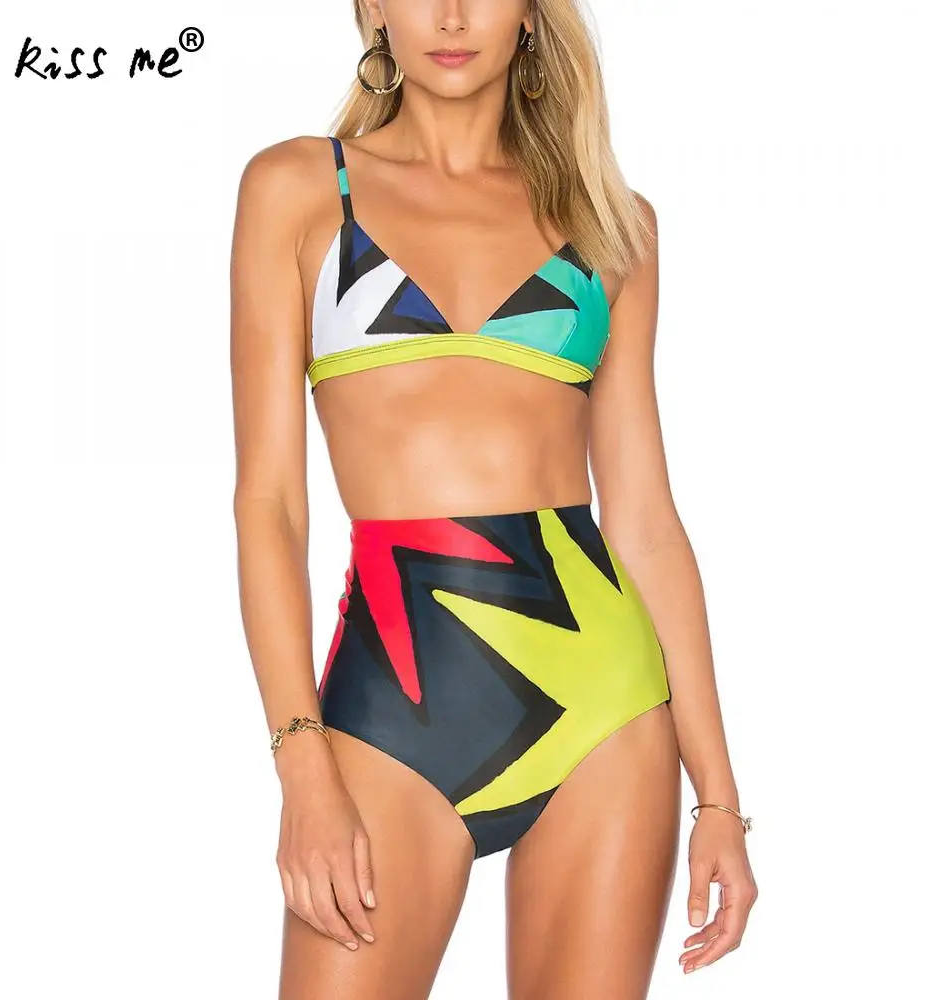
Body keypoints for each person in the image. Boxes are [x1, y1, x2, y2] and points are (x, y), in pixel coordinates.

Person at [230, 2, 757, 997]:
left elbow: (645, 522)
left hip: (606, 709)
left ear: (529, 14)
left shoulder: (613, 225)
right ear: (373, 9)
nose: (452, 14)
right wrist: (301, 767)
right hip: (395, 706)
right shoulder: (297, 189)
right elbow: (270, 504)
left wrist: (719, 800)